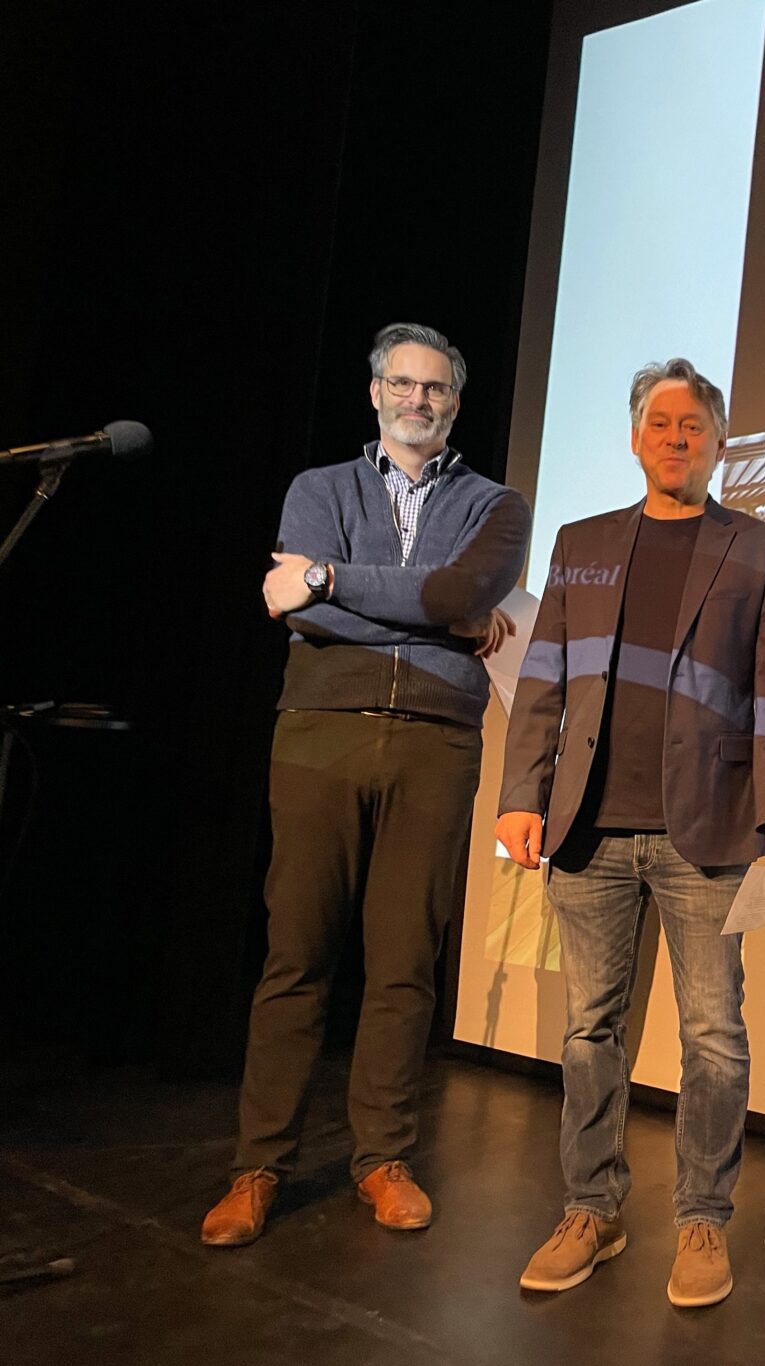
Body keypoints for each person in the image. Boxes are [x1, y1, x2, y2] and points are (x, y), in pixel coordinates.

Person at [200, 322, 530, 1247]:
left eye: (434, 388)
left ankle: (383, 1159)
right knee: (295, 957)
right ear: (375, 392)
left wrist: (333, 580)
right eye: (401, 383)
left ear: (455, 403)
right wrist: (440, 619)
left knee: (403, 964)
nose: (417, 399)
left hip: (436, 742)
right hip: (318, 735)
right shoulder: (318, 488)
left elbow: (455, 594)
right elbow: (303, 618)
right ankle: (257, 1167)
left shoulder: (495, 504)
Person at [496, 358, 765, 1308]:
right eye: (660, 423)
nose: (676, 438)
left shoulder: (758, 550)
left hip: (708, 834)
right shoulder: (582, 543)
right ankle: (591, 1208)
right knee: (591, 1030)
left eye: (693, 426)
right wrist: (522, 791)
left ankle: (702, 1222)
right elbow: (545, 677)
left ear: (718, 442)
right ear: (636, 438)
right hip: (588, 829)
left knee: (714, 1037)